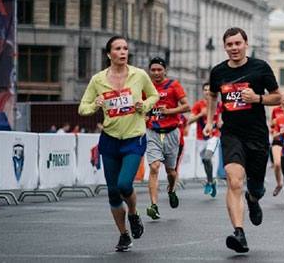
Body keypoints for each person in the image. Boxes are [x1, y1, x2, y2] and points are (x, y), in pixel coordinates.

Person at [78, 35, 159, 252]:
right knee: (113, 192)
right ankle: (124, 235)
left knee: (124, 185)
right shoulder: (98, 80)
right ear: (108, 54)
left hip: (134, 137)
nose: (123, 52)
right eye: (118, 49)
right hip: (110, 139)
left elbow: (154, 96)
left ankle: (133, 213)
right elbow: (82, 108)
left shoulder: (139, 75)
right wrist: (95, 104)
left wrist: (145, 104)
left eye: (125, 48)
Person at [205, 27, 281, 253]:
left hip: (257, 134)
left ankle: (253, 198)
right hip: (231, 133)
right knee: (234, 180)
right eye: (229, 45)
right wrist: (210, 120)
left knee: (255, 187)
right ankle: (239, 232)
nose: (234, 48)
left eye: (238, 43)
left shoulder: (260, 68)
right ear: (225, 47)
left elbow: (278, 96)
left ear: (246, 44)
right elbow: (212, 95)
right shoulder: (218, 71)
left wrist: (257, 98)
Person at [144, 57, 190, 221]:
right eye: (153, 70)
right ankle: (153, 205)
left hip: (171, 132)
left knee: (171, 171)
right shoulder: (146, 87)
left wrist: (169, 112)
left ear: (165, 70)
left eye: (159, 70)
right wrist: (143, 115)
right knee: (154, 167)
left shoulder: (173, 85)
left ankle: (171, 190)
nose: (156, 73)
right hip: (152, 132)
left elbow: (186, 106)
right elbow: (142, 107)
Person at [188, 83, 222, 197]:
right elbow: (189, 120)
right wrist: (200, 115)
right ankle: (211, 181)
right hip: (200, 138)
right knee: (205, 161)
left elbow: (222, 121)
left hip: (213, 136)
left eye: (209, 90)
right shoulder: (198, 105)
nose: (207, 92)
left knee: (207, 158)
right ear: (203, 92)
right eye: (205, 90)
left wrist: (220, 123)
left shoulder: (219, 105)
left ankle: (210, 181)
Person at [269, 90, 284, 197]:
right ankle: (279, 184)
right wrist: (276, 123)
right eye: (282, 96)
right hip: (277, 139)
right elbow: (272, 125)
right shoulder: (275, 110)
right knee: (277, 164)